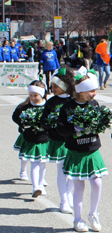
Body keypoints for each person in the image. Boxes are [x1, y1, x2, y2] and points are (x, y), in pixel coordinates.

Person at [56, 69, 107, 232]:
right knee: (79, 187)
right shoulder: (67, 107)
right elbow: (60, 129)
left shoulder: (94, 104)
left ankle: (93, 213)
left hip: (92, 150)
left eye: (95, 90)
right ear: (80, 91)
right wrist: (74, 128)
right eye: (91, 91)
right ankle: (78, 219)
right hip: (76, 152)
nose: (94, 94)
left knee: (97, 183)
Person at [40, 68, 75, 213]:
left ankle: (69, 192)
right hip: (58, 141)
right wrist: (50, 123)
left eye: (55, 86)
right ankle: (64, 201)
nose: (52, 89)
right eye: (52, 86)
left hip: (72, 141)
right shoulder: (51, 102)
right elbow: (43, 120)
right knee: (61, 171)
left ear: (64, 86)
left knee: (73, 172)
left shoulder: (73, 99)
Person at [12, 81, 49, 197]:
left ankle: (41, 183)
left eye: (35, 95)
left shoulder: (48, 107)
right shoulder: (25, 107)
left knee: (43, 164)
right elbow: (15, 117)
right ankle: (35, 187)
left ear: (42, 94)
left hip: (45, 140)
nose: (32, 97)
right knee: (34, 163)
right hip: (31, 139)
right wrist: (23, 124)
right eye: (31, 95)